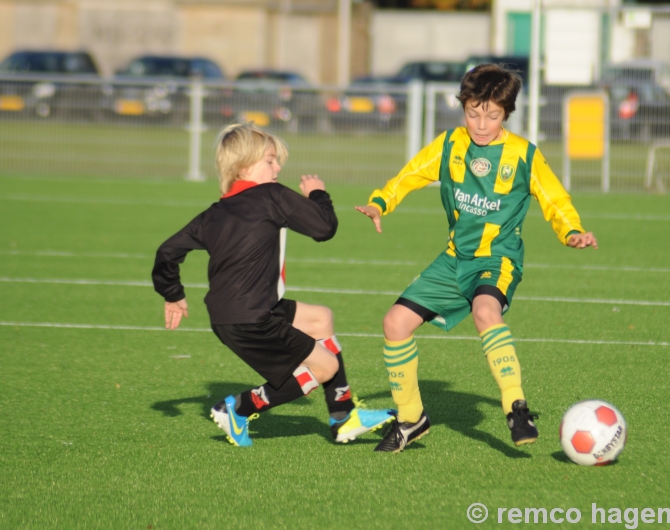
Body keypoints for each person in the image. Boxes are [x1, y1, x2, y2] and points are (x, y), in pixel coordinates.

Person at [356, 64, 598, 453]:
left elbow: (555, 198)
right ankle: (410, 419)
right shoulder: (451, 144)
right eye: (473, 113)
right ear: (463, 107)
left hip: (497, 259)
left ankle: (516, 407)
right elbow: (412, 173)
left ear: (507, 113)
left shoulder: (523, 155)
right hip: (454, 260)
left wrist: (570, 230)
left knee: (487, 311)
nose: (481, 124)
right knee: (394, 322)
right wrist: (381, 201)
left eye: (492, 115)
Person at [153, 122, 395, 447]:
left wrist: (173, 295)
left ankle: (343, 417)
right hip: (252, 318)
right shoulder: (270, 195)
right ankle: (238, 407)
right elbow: (324, 227)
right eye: (270, 160)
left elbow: (167, 252)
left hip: (233, 314)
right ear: (243, 166)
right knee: (324, 367)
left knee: (320, 318)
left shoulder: (215, 212)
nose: (278, 166)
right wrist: (317, 194)